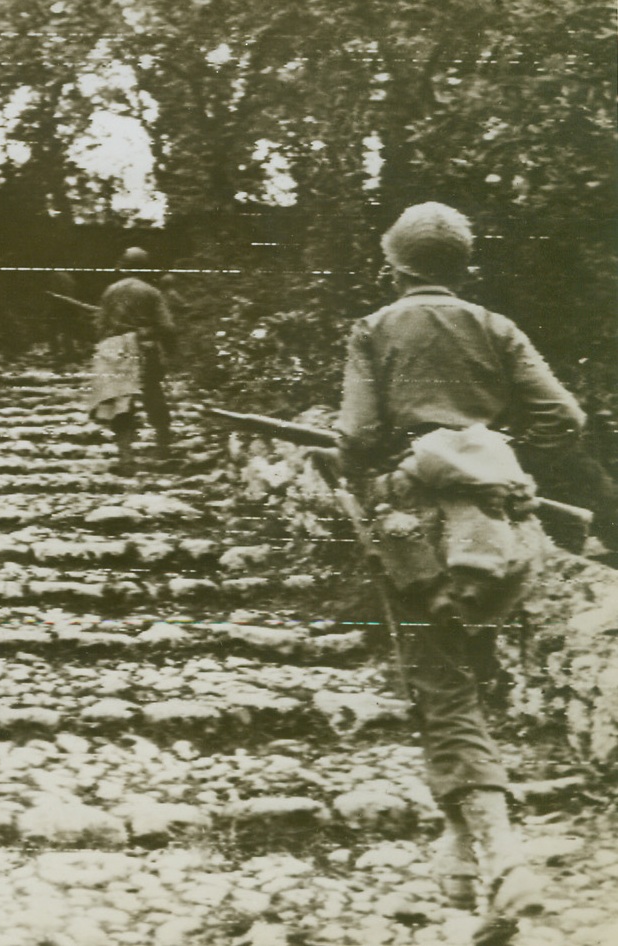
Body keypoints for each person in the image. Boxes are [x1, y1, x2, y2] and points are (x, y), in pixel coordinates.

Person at [336, 202, 587, 942]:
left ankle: (507, 861)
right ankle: (463, 868)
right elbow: (564, 419)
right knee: (464, 676)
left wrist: (383, 467)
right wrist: (491, 452)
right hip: (497, 533)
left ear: (394, 265)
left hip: (415, 530)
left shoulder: (376, 329)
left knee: (440, 686)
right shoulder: (494, 326)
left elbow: (354, 435)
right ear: (462, 267)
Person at [89, 247, 177, 474]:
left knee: (121, 403)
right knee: (153, 394)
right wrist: (171, 350)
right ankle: (164, 448)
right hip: (143, 348)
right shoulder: (151, 292)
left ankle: (126, 459)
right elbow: (167, 327)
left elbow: (99, 326)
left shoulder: (110, 292)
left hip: (114, 350)